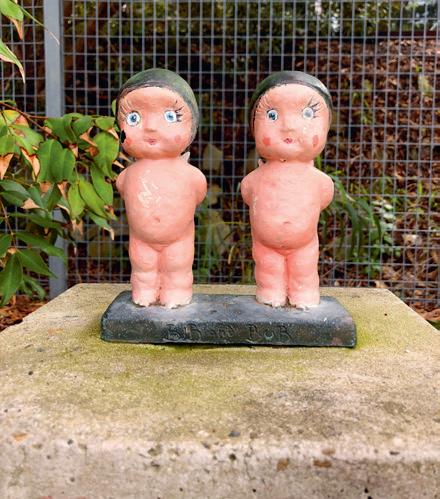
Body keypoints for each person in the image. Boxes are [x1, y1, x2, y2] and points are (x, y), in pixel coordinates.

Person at [241, 71, 334, 308]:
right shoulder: (255, 179)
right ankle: (270, 292)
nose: (289, 126)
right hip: (265, 245)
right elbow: (248, 191)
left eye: (307, 113)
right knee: (268, 270)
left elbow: (323, 196)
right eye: (272, 115)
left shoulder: (318, 180)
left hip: (304, 244)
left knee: (304, 270)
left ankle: (304, 294)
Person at [115, 68, 207, 308]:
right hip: (141, 240)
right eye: (134, 118)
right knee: (142, 267)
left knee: (177, 267)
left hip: (179, 240)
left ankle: (177, 293)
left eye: (170, 116)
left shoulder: (190, 175)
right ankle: (144, 291)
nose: (151, 128)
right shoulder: (128, 175)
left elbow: (198, 193)